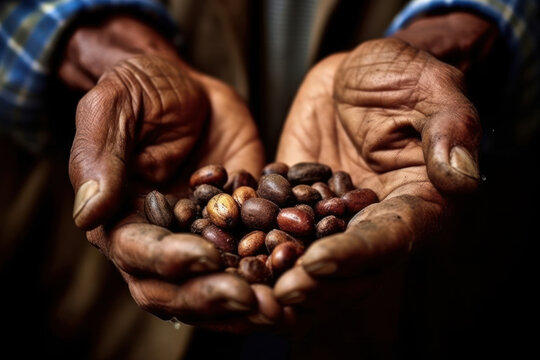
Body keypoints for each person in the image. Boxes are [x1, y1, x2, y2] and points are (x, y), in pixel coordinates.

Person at [1, 0, 538, 359]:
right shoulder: (230, 205)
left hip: (422, 301)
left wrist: (465, 27)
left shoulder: (269, 205)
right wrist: (86, 34)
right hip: (99, 307)